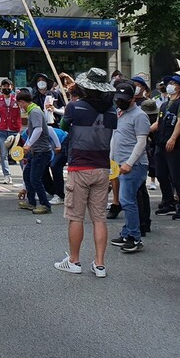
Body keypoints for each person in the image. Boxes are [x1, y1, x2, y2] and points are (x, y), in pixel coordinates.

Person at [54, 68, 117, 278]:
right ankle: (100, 264)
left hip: (79, 167)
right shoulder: (111, 111)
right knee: (99, 218)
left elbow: (63, 125)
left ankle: (74, 260)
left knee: (76, 217)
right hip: (102, 167)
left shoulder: (75, 107)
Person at [108, 81, 150, 253]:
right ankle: (127, 233)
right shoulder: (120, 113)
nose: (120, 101)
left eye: (124, 99)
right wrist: (111, 160)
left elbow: (141, 142)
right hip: (120, 163)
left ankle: (134, 237)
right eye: (118, 98)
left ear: (133, 98)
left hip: (134, 165)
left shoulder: (140, 115)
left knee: (127, 200)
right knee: (127, 200)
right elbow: (114, 138)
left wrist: (129, 163)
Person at [150, 75, 180, 220]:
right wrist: (144, 131)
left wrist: (173, 138)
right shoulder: (164, 104)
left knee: (176, 177)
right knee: (161, 174)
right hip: (160, 143)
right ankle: (168, 202)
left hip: (175, 145)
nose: (169, 86)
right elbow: (158, 123)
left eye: (173, 83)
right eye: (169, 83)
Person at [16, 90, 57, 215]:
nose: (20, 107)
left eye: (19, 104)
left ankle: (45, 205)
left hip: (42, 151)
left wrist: (28, 144)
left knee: (35, 178)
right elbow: (32, 131)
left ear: (22, 102)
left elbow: (38, 129)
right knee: (27, 175)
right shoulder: (33, 111)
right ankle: (31, 202)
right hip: (35, 151)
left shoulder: (34, 112)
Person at [0, 78, 20, 186]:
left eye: (8, 86)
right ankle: (7, 175)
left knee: (18, 154)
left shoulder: (17, 99)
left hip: (14, 130)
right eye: (4, 86)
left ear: (12, 87)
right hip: (2, 130)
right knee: (3, 154)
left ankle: (24, 176)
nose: (6, 88)